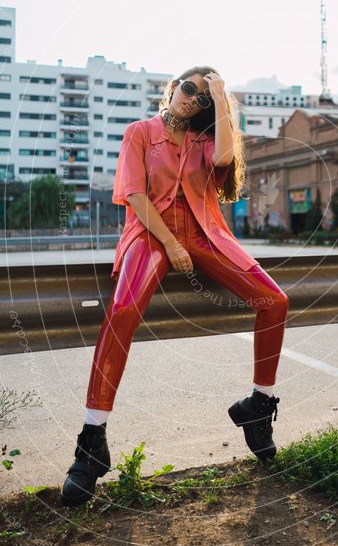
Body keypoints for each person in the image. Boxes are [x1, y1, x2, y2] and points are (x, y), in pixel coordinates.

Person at [61, 68, 289, 507]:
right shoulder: (140, 133)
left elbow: (225, 161)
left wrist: (221, 95)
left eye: (202, 98)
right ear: (172, 88)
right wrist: (170, 245)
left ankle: (258, 407)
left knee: (274, 301)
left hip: (206, 234)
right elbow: (133, 195)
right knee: (124, 310)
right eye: (190, 89)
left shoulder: (206, 141)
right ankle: (92, 442)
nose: (193, 99)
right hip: (151, 234)